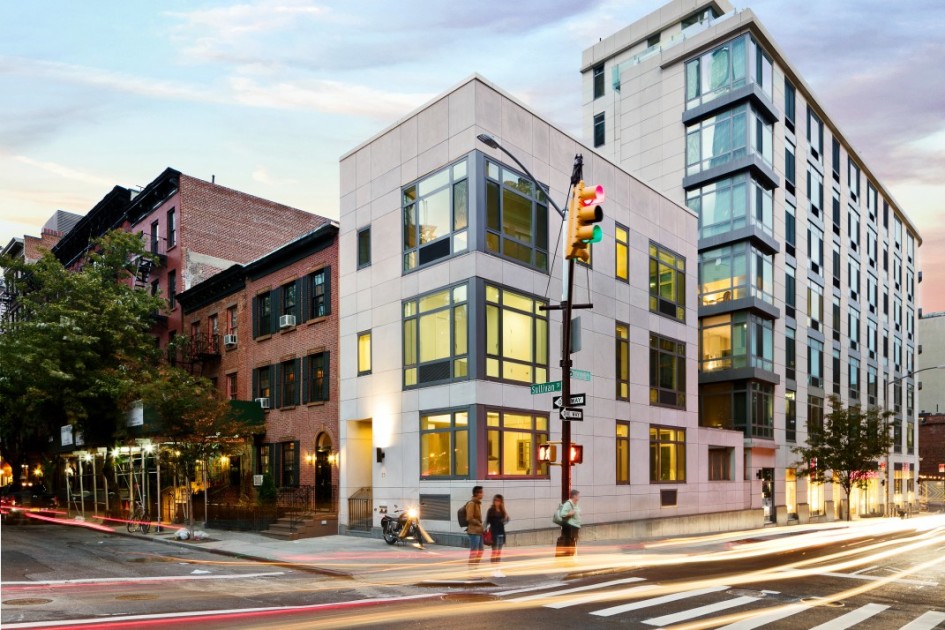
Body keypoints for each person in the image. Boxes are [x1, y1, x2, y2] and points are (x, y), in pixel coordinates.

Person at [486, 494, 510, 577]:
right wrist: (483, 531)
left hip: (501, 533)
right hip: (494, 533)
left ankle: (498, 569)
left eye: (499, 501)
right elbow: (487, 521)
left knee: (499, 553)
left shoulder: (502, 510)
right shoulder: (491, 510)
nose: (497, 502)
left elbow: (506, 521)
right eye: (496, 500)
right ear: (494, 501)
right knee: (494, 552)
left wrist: (505, 512)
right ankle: (493, 570)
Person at [557, 489, 582, 557]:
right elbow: (562, 514)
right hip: (571, 527)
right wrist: (570, 513)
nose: (579, 497)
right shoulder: (568, 504)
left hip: (575, 526)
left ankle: (572, 554)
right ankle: (569, 555)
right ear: (574, 496)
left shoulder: (575, 504)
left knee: (574, 542)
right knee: (571, 542)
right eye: (578, 496)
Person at [465, 485, 485, 567]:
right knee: (474, 551)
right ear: (477, 493)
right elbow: (469, 518)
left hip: (478, 531)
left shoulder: (477, 503)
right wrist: (479, 523)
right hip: (473, 531)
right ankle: (472, 569)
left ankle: (475, 567)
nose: (483, 494)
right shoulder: (471, 504)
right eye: (482, 493)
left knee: (480, 550)